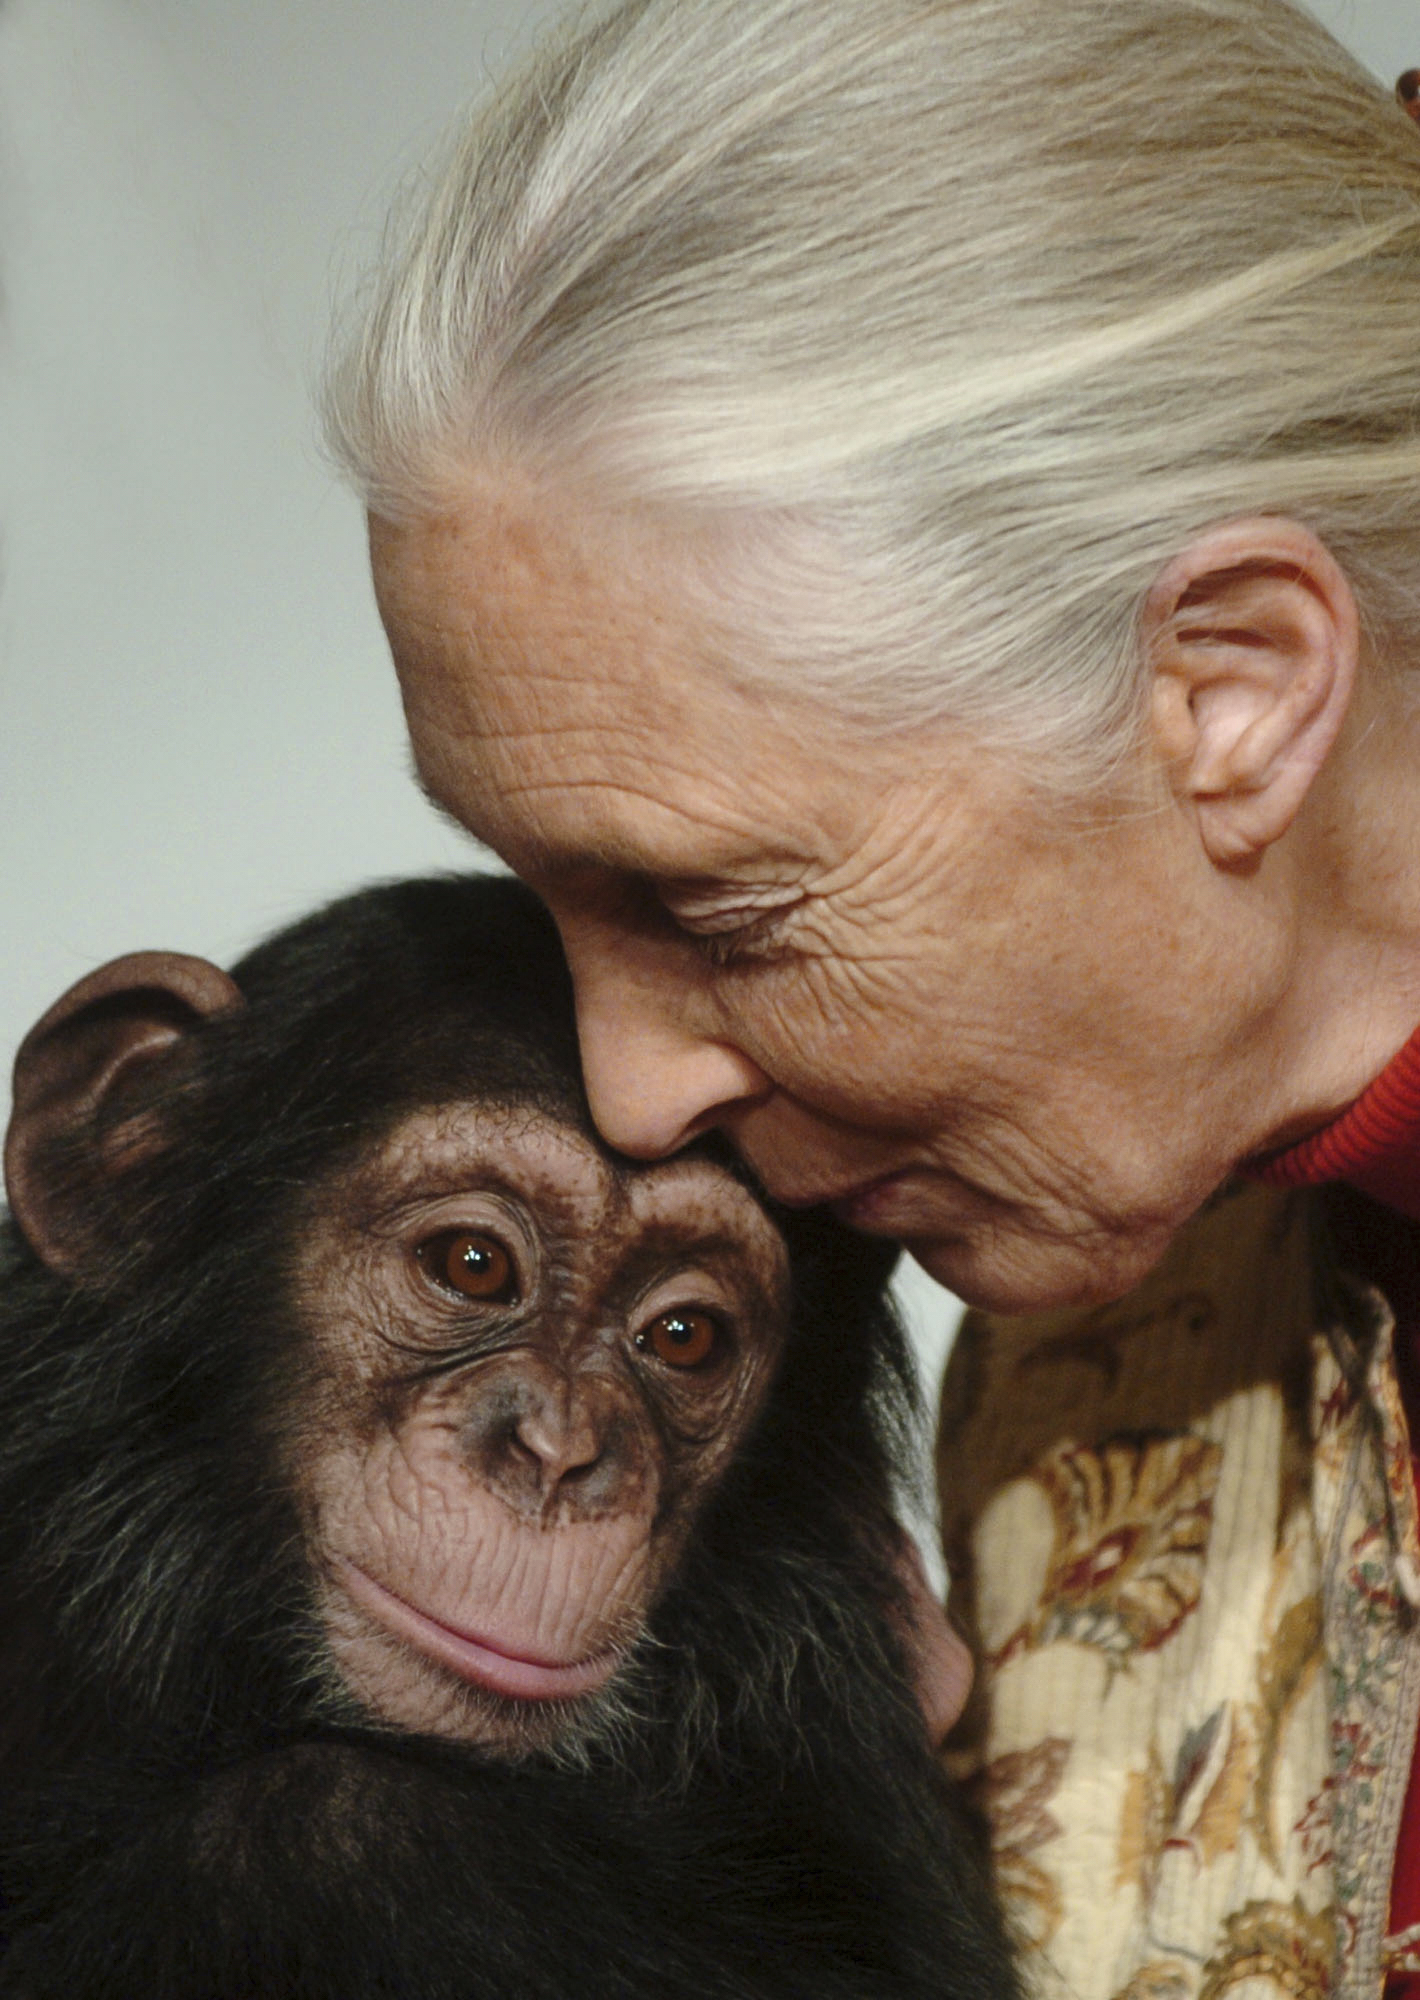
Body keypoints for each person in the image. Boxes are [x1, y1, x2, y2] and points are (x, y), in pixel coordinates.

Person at [323, 1, 1420, 1992]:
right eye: (546, 896)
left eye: (710, 906)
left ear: (1231, 695)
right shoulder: (1061, 1329)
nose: (625, 1091)